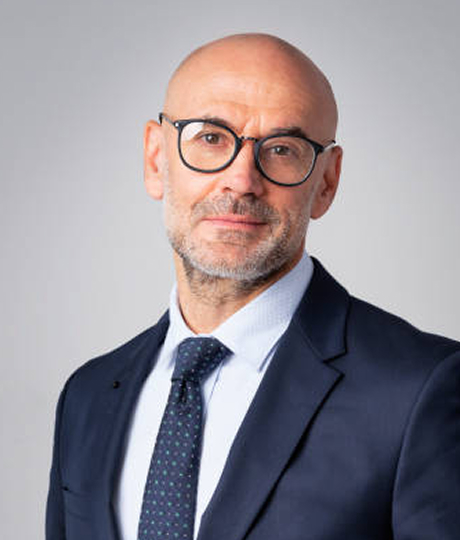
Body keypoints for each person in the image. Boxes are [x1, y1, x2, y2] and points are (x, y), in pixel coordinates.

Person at [46, 33, 460, 540]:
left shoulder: (421, 389)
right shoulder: (88, 395)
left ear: (326, 182)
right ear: (156, 159)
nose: (241, 180)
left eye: (282, 149)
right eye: (210, 138)